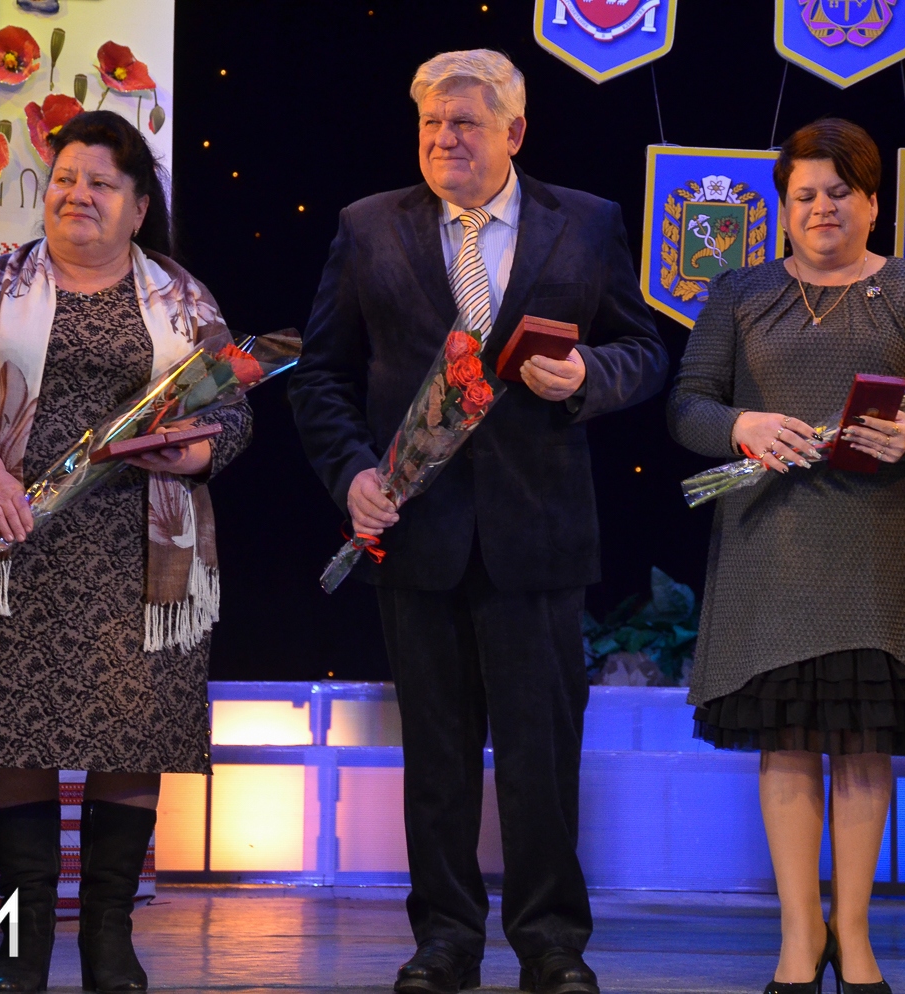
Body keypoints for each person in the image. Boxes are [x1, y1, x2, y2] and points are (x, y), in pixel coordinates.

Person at [289, 49, 667, 994]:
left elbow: (644, 349)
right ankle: (446, 940)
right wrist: (352, 475)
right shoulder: (367, 226)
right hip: (417, 533)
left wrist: (587, 376)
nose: (444, 138)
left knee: (542, 754)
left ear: (515, 132)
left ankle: (552, 944)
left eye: (464, 122)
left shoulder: (587, 222)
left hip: (539, 536)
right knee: (438, 757)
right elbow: (322, 374)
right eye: (430, 123)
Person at [0, 111, 251, 994]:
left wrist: (198, 449)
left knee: (132, 733)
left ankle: (108, 940)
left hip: (145, 557)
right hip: (18, 545)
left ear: (138, 207)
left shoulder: (183, 297)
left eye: (101, 183)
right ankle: (22, 946)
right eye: (64, 178)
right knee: (16, 733)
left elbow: (232, 409)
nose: (78, 195)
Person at [667, 117, 905, 994]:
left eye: (838, 193)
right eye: (803, 195)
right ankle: (800, 937)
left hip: (881, 550)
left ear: (873, 202)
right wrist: (741, 423)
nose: (820, 208)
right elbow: (686, 404)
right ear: (783, 207)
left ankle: (856, 932)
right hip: (771, 551)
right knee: (788, 744)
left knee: (865, 743)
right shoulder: (738, 290)